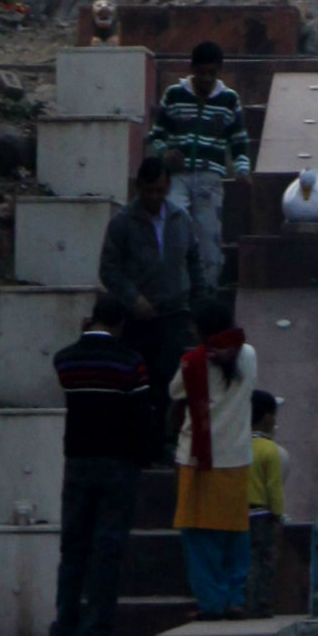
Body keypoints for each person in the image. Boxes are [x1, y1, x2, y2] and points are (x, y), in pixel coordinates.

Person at [49, 291, 157, 636]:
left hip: (77, 461)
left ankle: (64, 631)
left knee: (73, 548)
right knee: (107, 549)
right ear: (121, 323)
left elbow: (66, 371)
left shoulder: (67, 361)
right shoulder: (130, 363)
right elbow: (141, 415)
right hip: (117, 462)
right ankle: (98, 631)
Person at [99, 153, 207, 448]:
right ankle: (140, 442)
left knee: (169, 381)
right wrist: (133, 298)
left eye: (160, 191)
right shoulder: (122, 223)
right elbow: (108, 269)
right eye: (149, 191)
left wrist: (200, 306)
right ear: (139, 188)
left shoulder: (179, 218)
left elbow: (194, 262)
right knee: (140, 382)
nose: (154, 197)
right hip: (138, 316)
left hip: (174, 312)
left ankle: (164, 440)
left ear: (168, 187)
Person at [173, 300, 259, 619]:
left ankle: (211, 602)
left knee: (198, 534)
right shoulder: (248, 355)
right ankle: (235, 598)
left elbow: (173, 391)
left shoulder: (193, 362)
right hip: (237, 457)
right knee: (235, 531)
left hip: (198, 459)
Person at [151, 41, 252, 303]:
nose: (207, 80)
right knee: (175, 227)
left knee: (209, 239)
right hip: (179, 177)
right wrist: (165, 153)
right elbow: (156, 135)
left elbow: (239, 141)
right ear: (192, 69)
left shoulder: (229, 100)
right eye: (202, 73)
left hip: (210, 178)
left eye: (212, 74)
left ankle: (207, 297)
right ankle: (174, 291)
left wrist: (242, 170)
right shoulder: (174, 95)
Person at [248, 389, 289, 620]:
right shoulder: (269, 450)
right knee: (264, 560)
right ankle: (261, 605)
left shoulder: (238, 446)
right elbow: (274, 487)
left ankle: (244, 601)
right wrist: (278, 514)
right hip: (262, 514)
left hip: (239, 513)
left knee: (246, 560)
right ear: (267, 418)